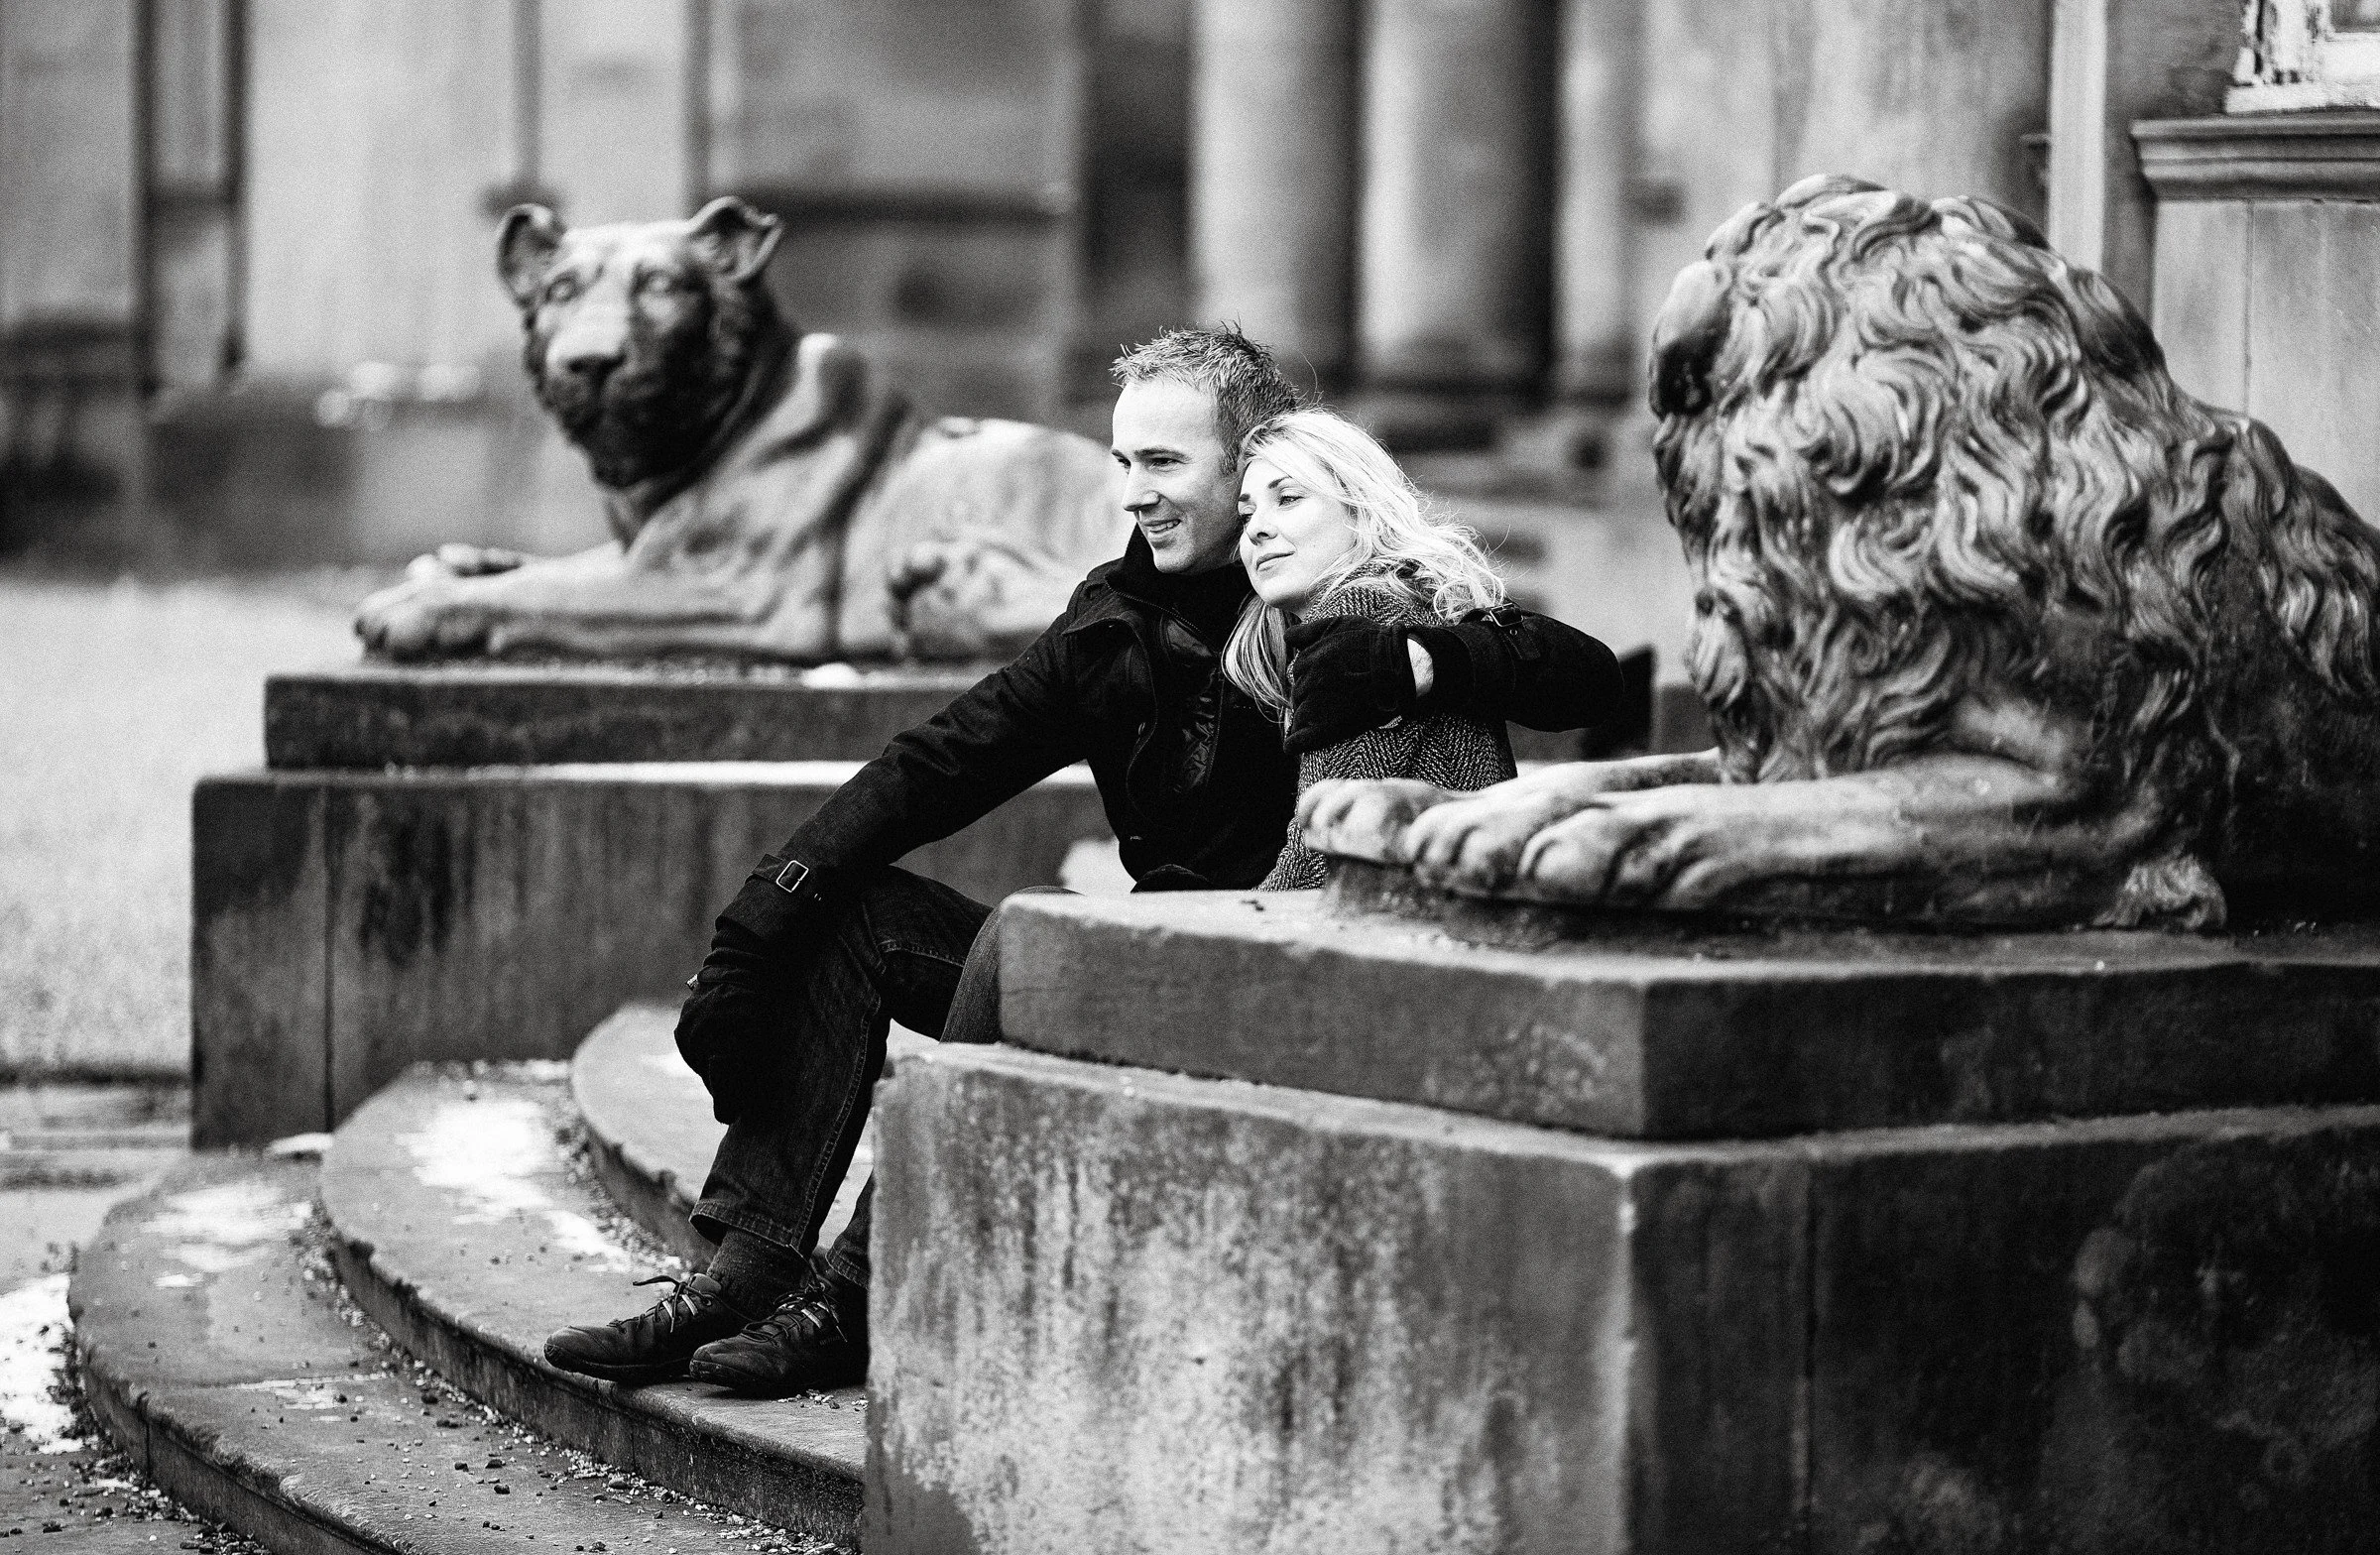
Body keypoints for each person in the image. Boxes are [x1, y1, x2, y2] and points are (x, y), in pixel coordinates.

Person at [539, 325, 1629, 1398]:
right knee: (858, 913)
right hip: (1150, 969)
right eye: (1122, 462)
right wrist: (769, 905)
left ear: (1250, 466)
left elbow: (1583, 674)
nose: (1135, 492)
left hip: (1264, 985)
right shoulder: (1115, 623)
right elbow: (939, 760)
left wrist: (1429, 656)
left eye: (1163, 462)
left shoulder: (1326, 596)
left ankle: (861, 1293)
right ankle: (744, 1269)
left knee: (1023, 940)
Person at [1224, 410, 1518, 889]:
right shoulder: (1394, 603)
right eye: (1247, 512)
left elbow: (1323, 855)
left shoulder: (1365, 612)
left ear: (1360, 511)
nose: (1256, 527)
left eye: (1288, 498)